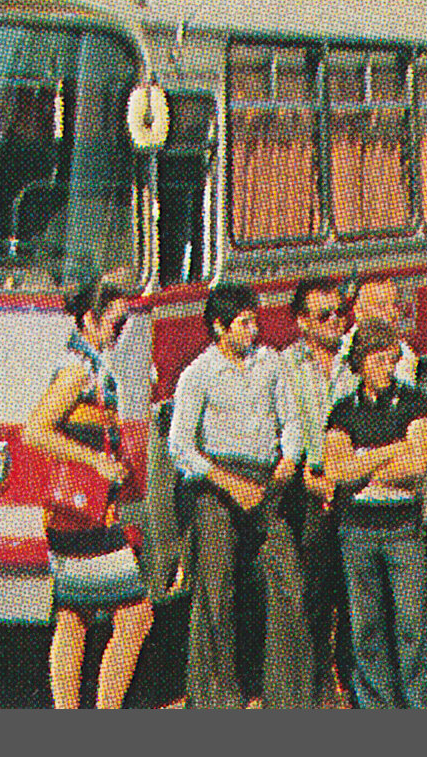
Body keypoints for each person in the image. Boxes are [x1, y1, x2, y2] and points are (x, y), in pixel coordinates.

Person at [169, 282, 311, 707]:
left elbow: (292, 420)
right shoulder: (198, 374)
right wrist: (229, 483)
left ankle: (287, 698)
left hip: (267, 480)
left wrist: (290, 457)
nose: (254, 330)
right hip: (216, 485)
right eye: (244, 323)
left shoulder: (271, 364)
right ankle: (216, 702)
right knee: (215, 590)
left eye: (254, 321)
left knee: (288, 582)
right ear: (220, 327)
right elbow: (180, 446)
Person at [23, 278, 154, 708]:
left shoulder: (88, 364)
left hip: (71, 511)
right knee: (136, 616)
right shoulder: (79, 370)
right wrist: (95, 461)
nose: (120, 333)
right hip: (83, 512)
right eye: (114, 324)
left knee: (73, 616)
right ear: (88, 320)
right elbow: (35, 430)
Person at [326, 317, 427, 706]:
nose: (386, 367)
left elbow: (417, 465)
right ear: (359, 363)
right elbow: (338, 470)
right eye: (376, 359)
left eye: (390, 358)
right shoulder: (343, 410)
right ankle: (377, 706)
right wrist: (392, 449)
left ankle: (420, 705)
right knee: (366, 627)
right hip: (357, 531)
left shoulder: (414, 402)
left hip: (402, 528)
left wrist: (363, 461)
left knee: (412, 623)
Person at [280, 275, 353, 704]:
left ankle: (348, 674)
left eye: (339, 313)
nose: (335, 321)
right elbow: (288, 423)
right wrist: (311, 476)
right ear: (303, 322)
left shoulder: (353, 359)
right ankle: (317, 680)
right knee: (313, 589)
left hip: (350, 481)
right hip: (307, 485)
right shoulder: (285, 365)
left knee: (352, 586)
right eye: (324, 315)